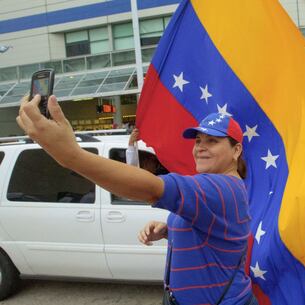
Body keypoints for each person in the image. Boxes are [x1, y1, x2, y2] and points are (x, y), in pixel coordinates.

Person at [17, 95, 258, 305]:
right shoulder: (218, 188)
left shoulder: (221, 188)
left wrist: (71, 155)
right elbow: (211, 233)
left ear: (236, 151)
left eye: (212, 141)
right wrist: (168, 230)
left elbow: (153, 188)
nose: (200, 148)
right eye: (198, 141)